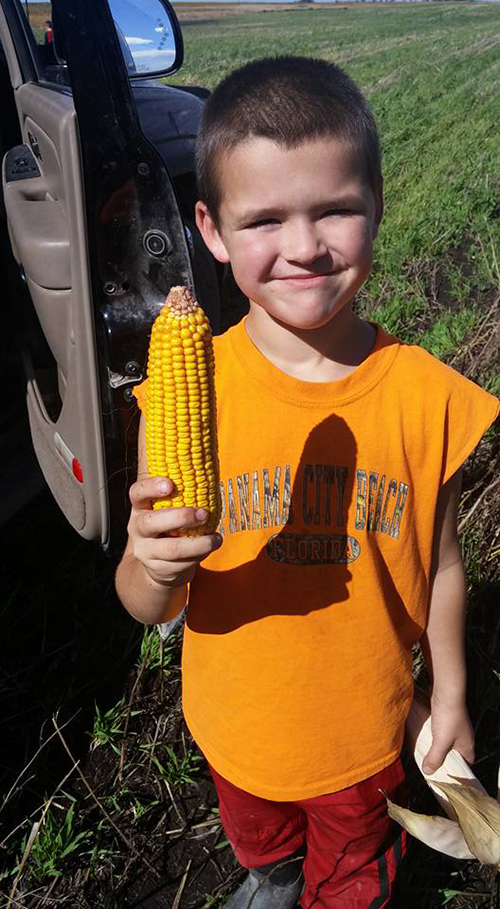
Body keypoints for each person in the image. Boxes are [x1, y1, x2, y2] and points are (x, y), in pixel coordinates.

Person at [115, 56, 499, 908]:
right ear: (211, 231)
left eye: (335, 210)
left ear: (378, 208)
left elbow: (439, 566)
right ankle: (270, 875)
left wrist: (452, 693)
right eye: (265, 220)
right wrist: (153, 565)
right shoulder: (186, 395)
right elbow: (149, 601)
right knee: (263, 848)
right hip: (235, 730)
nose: (303, 246)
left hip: (363, 740)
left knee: (351, 879)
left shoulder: (422, 395)